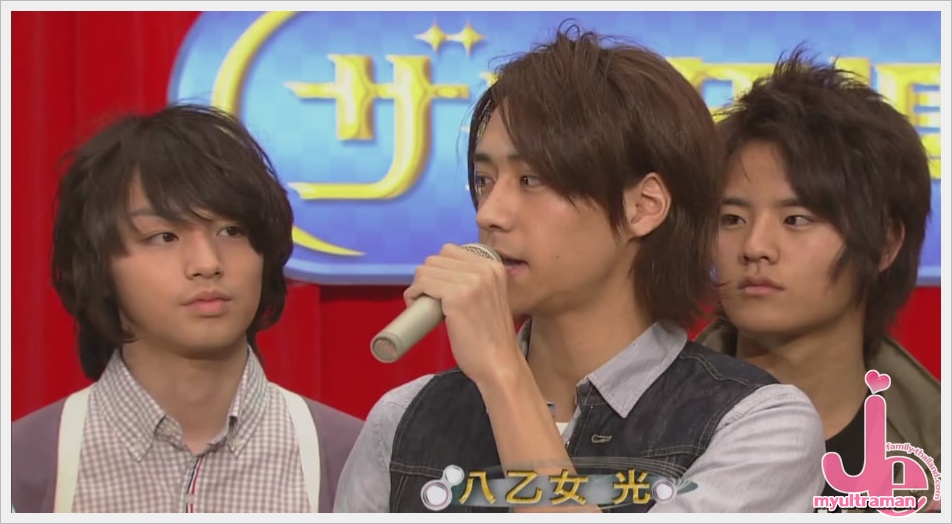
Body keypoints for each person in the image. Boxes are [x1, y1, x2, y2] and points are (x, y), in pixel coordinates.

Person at [334, 25, 826, 513]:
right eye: (484, 180)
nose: (490, 214)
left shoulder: (755, 423)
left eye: (532, 179)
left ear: (643, 206)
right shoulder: (403, 420)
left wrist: (504, 374)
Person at [11, 104, 363, 513]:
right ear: (99, 265)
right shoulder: (25, 465)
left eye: (231, 231)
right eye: (164, 236)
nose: (207, 263)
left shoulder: (352, 457)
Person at [696, 47, 941, 512]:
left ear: (885, 243)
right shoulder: (640, 425)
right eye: (731, 219)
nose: (755, 246)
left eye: (796, 219)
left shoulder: (934, 453)